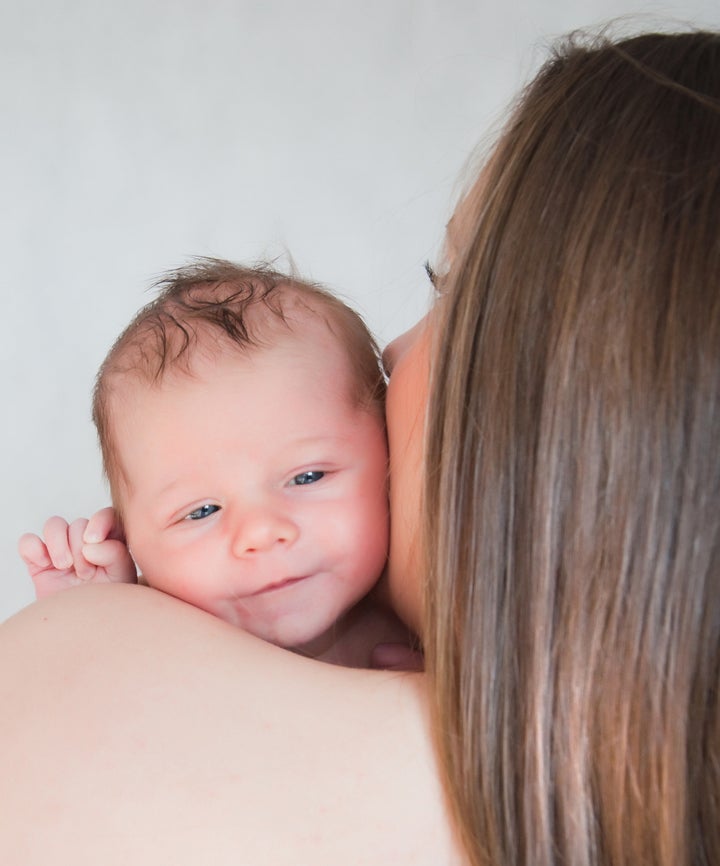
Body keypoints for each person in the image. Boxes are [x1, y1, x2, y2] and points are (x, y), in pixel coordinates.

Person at [1, 26, 718, 866]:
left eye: (448, 287)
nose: (392, 354)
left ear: (584, 399)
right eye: (198, 510)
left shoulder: (83, 696)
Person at [18, 260, 411, 667]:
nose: (260, 532)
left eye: (307, 477)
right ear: (131, 541)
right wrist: (93, 621)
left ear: (391, 451)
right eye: (201, 511)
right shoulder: (161, 646)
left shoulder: (440, 620)